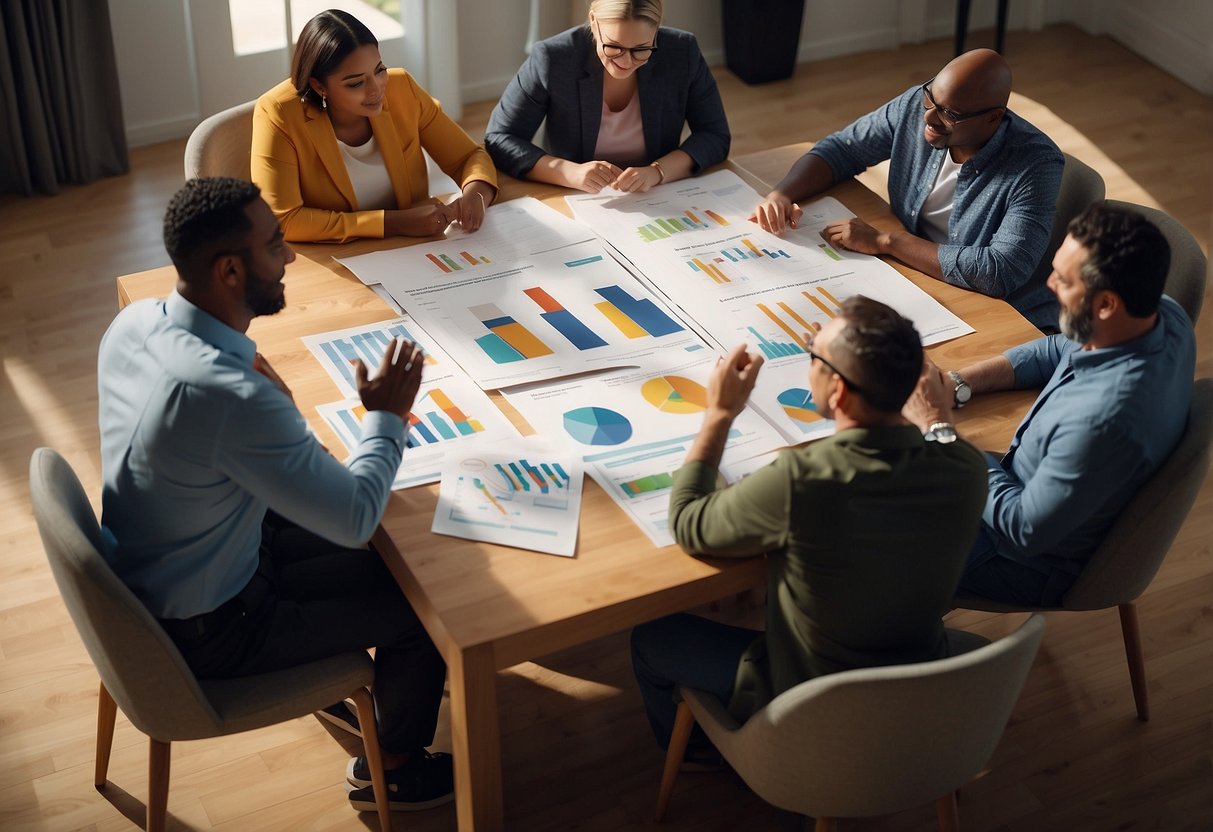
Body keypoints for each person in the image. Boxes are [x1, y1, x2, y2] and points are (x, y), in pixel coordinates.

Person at [97, 177, 452, 813]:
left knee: (404, 556)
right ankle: (391, 769)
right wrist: (388, 418)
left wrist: (276, 417)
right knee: (428, 611)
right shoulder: (225, 394)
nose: (289, 255)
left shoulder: (136, 320)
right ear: (230, 269)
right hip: (214, 626)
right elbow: (354, 517)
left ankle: (376, 697)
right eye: (276, 243)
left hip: (171, 567)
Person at [630, 296, 988, 752]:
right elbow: (943, 439)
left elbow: (688, 522)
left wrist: (719, 414)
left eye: (813, 357)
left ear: (837, 392)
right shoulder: (966, 468)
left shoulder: (801, 480)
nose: (809, 358)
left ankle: (722, 758)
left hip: (810, 706)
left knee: (652, 637)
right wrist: (934, 414)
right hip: (917, 686)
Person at [904, 202, 1197, 606]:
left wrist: (938, 428)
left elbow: (1022, 529)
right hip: (1021, 486)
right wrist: (956, 384)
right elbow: (1060, 347)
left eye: (1063, 280)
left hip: (1018, 556)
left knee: (860, 544)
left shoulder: (1104, 421)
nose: (1049, 284)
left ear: (1107, 304)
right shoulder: (1162, 315)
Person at [752, 48, 1063, 330]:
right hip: (915, 275)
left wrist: (888, 241)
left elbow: (1000, 272)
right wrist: (782, 194)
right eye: (931, 99)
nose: (928, 116)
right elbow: (843, 149)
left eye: (949, 114)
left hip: (998, 311)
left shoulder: (1036, 164)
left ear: (993, 118)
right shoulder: (919, 105)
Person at [252, 9, 497, 243]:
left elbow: (467, 156)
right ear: (319, 87)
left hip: (417, 250)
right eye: (356, 83)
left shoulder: (402, 89)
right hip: (335, 258)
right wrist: (394, 223)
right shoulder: (278, 113)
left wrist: (475, 195)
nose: (376, 89)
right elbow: (284, 219)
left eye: (379, 70)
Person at [484, 0, 730, 194]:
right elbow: (499, 138)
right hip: (574, 198)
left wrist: (657, 172)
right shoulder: (553, 58)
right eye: (613, 47)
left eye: (641, 50)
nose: (625, 62)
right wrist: (568, 172)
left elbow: (714, 135)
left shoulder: (682, 51)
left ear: (657, 30)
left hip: (655, 196)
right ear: (593, 22)